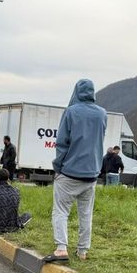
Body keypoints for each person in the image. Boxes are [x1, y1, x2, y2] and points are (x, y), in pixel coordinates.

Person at [44, 79, 107, 263]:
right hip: (92, 173)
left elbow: (62, 142)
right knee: (86, 214)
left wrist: (58, 167)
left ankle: (61, 249)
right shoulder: (102, 114)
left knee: (61, 211)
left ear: (76, 91)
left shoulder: (71, 112)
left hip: (70, 172)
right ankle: (82, 252)